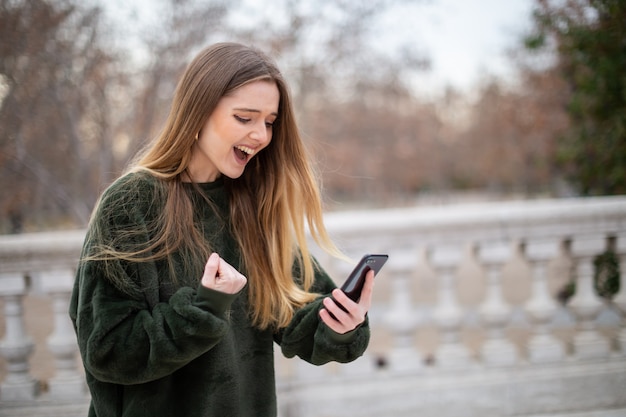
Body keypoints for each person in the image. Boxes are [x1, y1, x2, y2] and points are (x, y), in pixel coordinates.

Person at [69, 42, 374, 417]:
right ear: (197, 112)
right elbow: (108, 350)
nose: (261, 135)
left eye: (269, 122)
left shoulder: (255, 205)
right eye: (245, 118)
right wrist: (204, 308)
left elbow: (299, 319)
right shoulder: (130, 203)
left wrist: (342, 323)